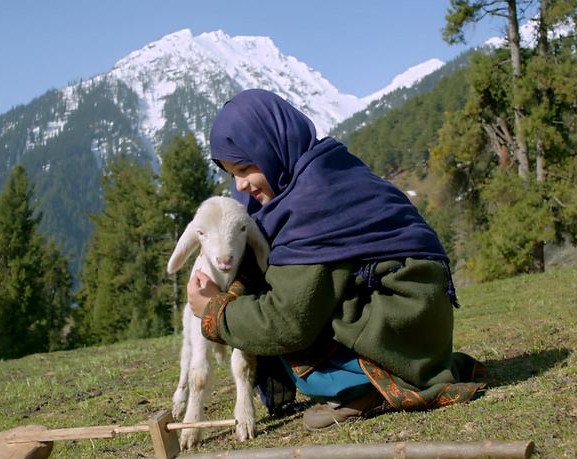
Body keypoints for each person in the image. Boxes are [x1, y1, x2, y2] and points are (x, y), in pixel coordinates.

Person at [187, 88, 486, 430]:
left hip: (404, 326)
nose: (239, 185)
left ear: (269, 149)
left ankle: (376, 385)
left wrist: (214, 310)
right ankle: (380, 376)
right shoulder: (320, 170)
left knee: (288, 351)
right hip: (417, 328)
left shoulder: (311, 204)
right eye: (231, 174)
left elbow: (288, 322)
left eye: (243, 168)